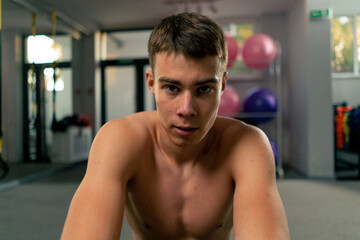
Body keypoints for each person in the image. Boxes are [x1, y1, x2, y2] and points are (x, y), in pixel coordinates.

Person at [61, 12, 289, 240]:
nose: (186, 109)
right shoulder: (119, 139)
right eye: (172, 88)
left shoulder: (247, 145)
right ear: (151, 83)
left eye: (204, 89)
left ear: (222, 86)